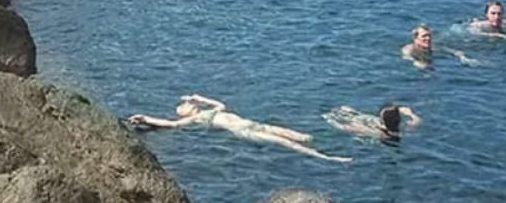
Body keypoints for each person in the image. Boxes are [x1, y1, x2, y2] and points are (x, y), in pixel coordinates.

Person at [126, 95, 351, 162]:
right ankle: (326, 157)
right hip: (245, 132)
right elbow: (171, 124)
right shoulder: (194, 121)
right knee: (285, 142)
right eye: (183, 105)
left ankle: (321, 139)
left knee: (295, 134)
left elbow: (219, 104)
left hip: (253, 123)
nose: (186, 105)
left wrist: (198, 97)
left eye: (187, 103)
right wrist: (146, 118)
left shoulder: (211, 111)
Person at [324, 104, 421, 142]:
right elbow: (405, 109)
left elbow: (346, 128)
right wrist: (412, 115)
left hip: (373, 133)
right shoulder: (407, 129)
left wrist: (329, 120)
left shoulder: (379, 134)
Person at [401, 24, 477, 68]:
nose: (428, 38)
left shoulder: (433, 47)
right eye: (424, 36)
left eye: (429, 35)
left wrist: (462, 57)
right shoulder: (408, 49)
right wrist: (415, 62)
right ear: (415, 38)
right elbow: (407, 58)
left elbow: (452, 51)